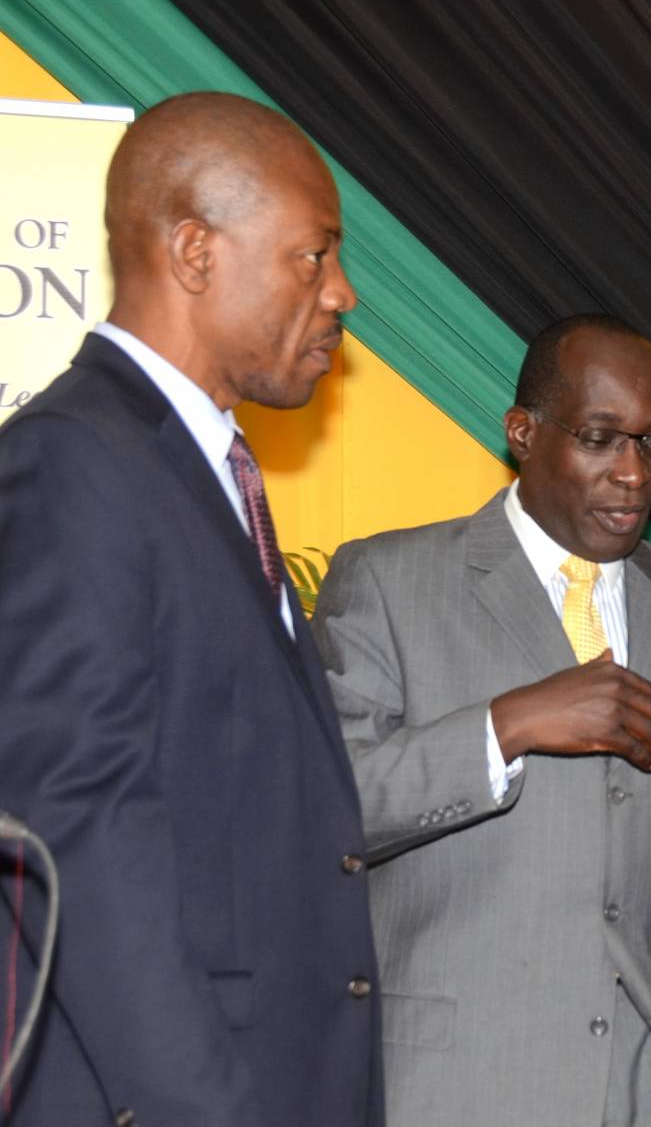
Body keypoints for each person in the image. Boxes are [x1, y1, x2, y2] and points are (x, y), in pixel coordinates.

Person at [310, 312, 651, 1127]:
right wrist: (507, 724)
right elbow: (326, 807)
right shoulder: (389, 582)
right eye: (601, 439)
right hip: (464, 1085)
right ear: (523, 432)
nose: (633, 473)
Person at [0, 93, 382, 1127]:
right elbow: (76, 824)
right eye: (314, 255)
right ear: (196, 252)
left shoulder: (208, 472)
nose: (341, 292)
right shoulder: (72, 462)